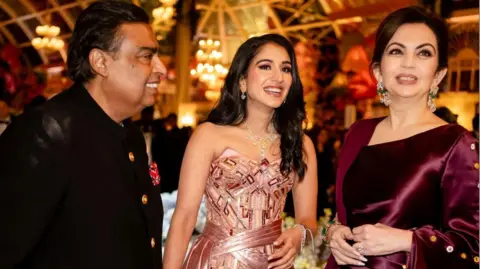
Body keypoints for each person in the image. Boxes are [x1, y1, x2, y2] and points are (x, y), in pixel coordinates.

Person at [0, 1, 166, 269]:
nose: (161, 69)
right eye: (146, 56)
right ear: (100, 62)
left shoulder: (129, 134)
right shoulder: (48, 131)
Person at [325, 6, 479, 269]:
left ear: (439, 74)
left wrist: (407, 241)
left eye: (424, 53)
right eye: (397, 51)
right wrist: (335, 233)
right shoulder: (358, 133)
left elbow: (472, 248)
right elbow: (345, 216)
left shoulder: (457, 144)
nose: (409, 63)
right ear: (377, 71)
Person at [163, 34, 318, 269]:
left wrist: (300, 234)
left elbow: (308, 221)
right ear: (242, 81)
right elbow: (184, 218)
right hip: (216, 262)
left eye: (286, 69)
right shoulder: (209, 135)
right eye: (265, 66)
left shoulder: (300, 144)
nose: (278, 77)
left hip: (273, 263)